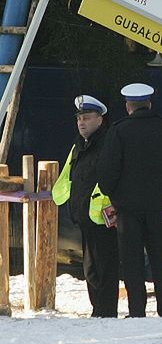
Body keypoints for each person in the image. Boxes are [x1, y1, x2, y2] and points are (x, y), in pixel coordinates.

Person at [97, 83, 162, 318]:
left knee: (132, 261)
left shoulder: (119, 131)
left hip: (127, 208)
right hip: (157, 206)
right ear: (149, 104)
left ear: (128, 106)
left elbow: (108, 171)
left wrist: (113, 195)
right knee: (160, 258)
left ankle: (137, 309)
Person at [52, 95, 119, 318]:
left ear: (100, 119)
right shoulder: (80, 145)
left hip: (104, 217)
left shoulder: (109, 142)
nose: (82, 123)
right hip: (84, 216)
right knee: (90, 268)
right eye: (79, 118)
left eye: (87, 118)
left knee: (105, 266)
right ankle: (97, 309)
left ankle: (106, 311)